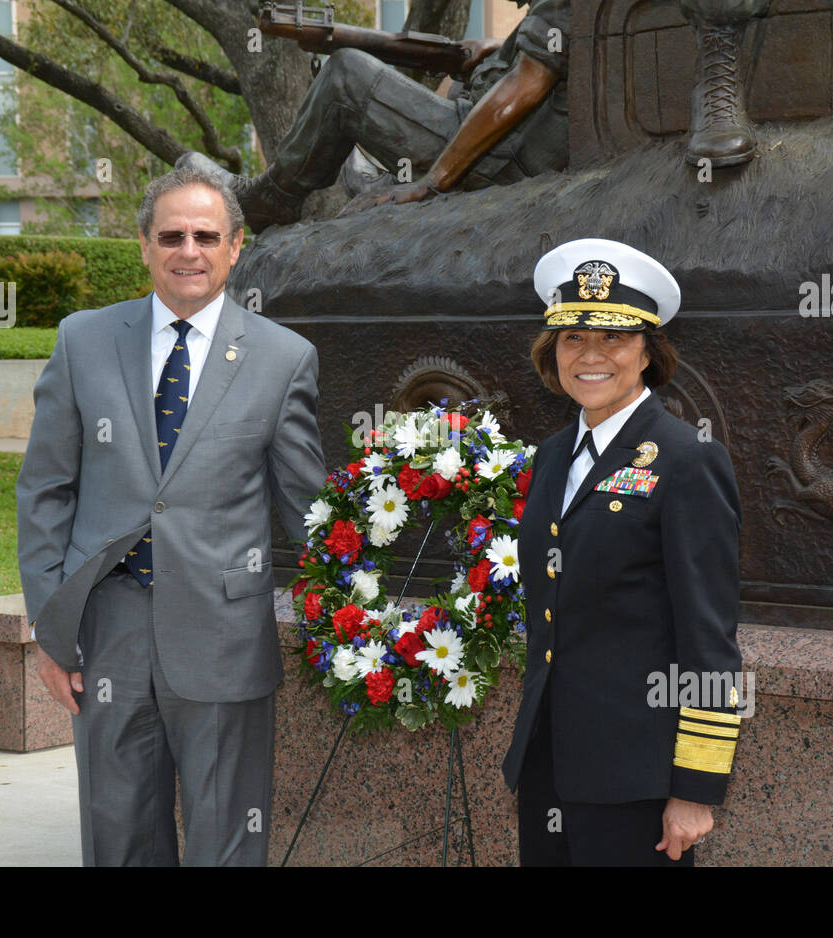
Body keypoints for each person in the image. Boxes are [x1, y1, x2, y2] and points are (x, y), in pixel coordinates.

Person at [16, 166, 326, 866]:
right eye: (172, 236)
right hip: (108, 629)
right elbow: (44, 492)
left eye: (206, 236)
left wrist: (357, 600)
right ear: (145, 246)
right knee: (118, 835)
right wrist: (50, 628)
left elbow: (307, 506)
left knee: (226, 842)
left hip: (225, 640)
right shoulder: (82, 341)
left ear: (237, 247)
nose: (190, 250)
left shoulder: (283, 359)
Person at [501, 238, 745, 866]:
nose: (590, 356)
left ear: (647, 351)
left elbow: (709, 639)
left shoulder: (687, 460)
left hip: (638, 780)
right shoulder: (553, 455)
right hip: (551, 761)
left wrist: (694, 789)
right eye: (572, 339)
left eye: (612, 338)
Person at [184, 0, 569, 231]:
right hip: (513, 151)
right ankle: (376, 181)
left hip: (500, 160)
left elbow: (529, 82)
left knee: (347, 74)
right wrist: (499, 48)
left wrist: (432, 182)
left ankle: (273, 197)